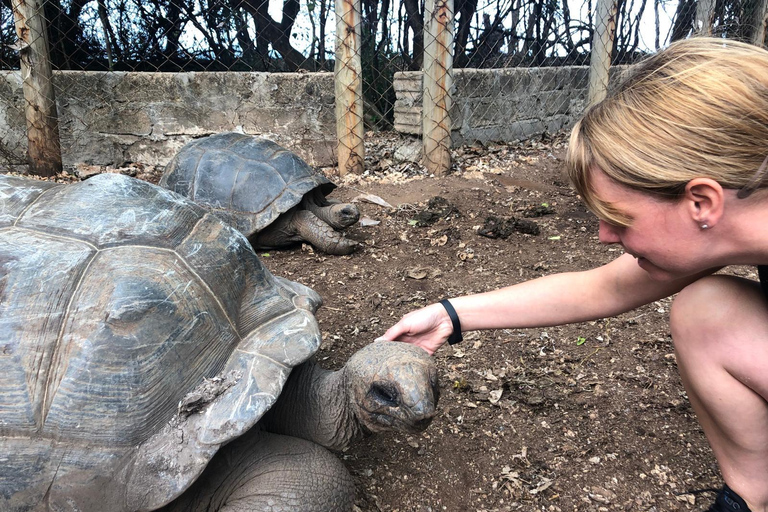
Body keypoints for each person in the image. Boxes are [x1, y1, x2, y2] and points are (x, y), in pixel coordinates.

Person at [378, 37, 768, 512]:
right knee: (706, 311)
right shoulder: (728, 226)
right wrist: (448, 315)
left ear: (702, 202)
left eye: (619, 219)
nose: (604, 236)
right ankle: (749, 497)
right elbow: (606, 286)